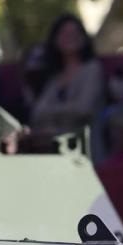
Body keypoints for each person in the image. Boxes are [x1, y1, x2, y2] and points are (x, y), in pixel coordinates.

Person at [28, 14, 104, 146]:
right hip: (53, 143)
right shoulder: (55, 76)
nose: (70, 38)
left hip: (84, 145)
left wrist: (53, 112)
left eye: (75, 33)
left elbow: (84, 108)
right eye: (64, 33)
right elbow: (38, 112)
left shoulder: (92, 69)